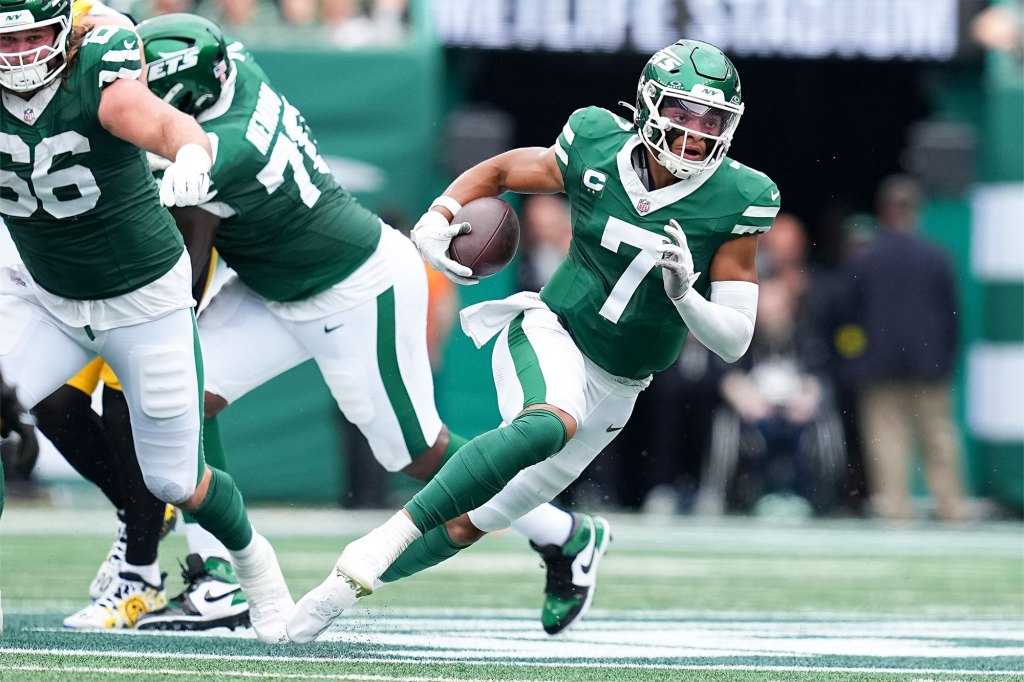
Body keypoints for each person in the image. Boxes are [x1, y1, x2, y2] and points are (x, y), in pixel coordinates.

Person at [286, 38, 780, 643]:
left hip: (622, 384)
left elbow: (733, 341)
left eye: (712, 123)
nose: (696, 137)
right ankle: (374, 545)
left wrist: (686, 295)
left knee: (477, 521)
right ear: (650, 107)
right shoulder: (597, 142)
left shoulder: (741, 196)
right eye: (682, 116)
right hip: (552, 329)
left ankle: (331, 600)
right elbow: (499, 172)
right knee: (550, 420)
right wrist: (440, 214)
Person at [131, 14, 608, 636]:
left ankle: (564, 533)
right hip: (277, 283)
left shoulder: (225, 150)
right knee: (182, 402)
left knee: (418, 455)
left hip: (356, 288)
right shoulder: (237, 71)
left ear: (189, 93)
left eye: (149, 90)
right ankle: (217, 577)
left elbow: (186, 261)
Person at [0, 0, 293, 644]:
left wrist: (190, 153)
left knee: (174, 480)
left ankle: (254, 568)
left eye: (34, 37)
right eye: (7, 41)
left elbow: (157, 120)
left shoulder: (97, 70)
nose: (21, 56)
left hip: (141, 302)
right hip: (45, 296)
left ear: (62, 31)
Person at [842, 175, 967, 523]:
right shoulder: (937, 257)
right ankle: (952, 510)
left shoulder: (865, 260)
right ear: (916, 211)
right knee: (938, 440)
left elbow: (847, 318)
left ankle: (896, 513)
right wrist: (945, 359)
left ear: (883, 212)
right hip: (929, 367)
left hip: (879, 367)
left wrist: (855, 357)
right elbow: (951, 318)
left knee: (887, 442)